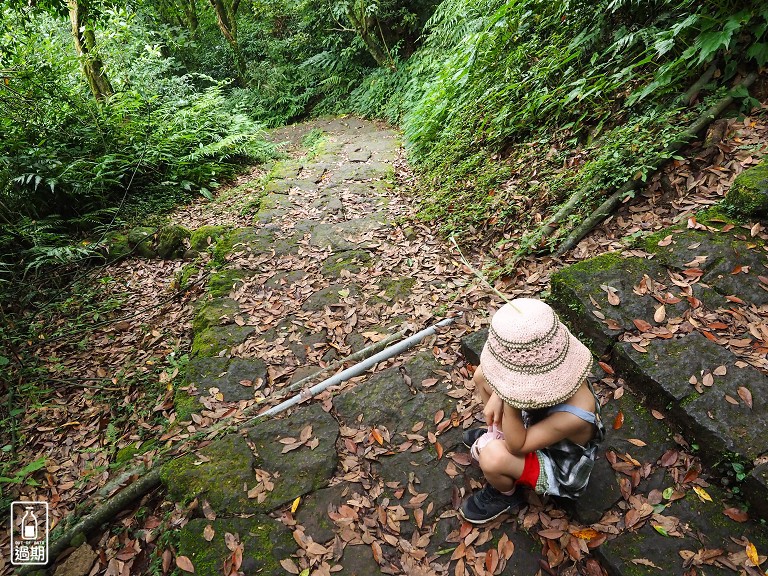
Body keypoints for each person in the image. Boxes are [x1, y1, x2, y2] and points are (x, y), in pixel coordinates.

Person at [459, 298, 605, 525]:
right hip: (532, 420)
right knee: (481, 375)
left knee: (493, 458)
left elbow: (518, 445)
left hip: (555, 459)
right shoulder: (555, 367)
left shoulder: (575, 414)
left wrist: (507, 398)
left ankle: (506, 494)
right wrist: (501, 391)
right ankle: (499, 433)